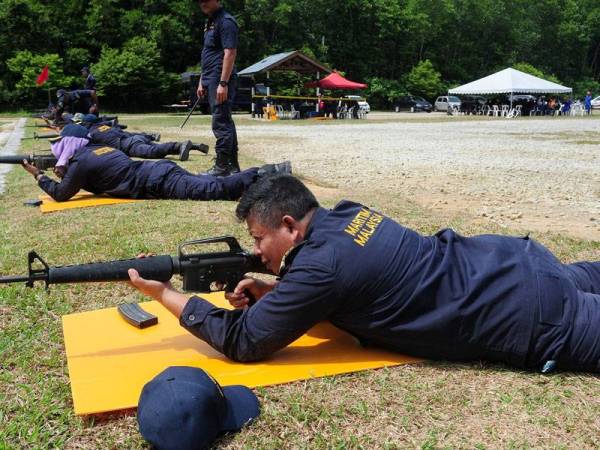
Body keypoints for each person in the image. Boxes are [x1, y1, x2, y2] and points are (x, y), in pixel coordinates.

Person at [128, 175, 600, 373]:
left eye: (258, 238)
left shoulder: (319, 268)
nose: (256, 250)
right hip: (522, 265)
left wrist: (164, 294)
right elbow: (356, 284)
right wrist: (277, 290)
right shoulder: (349, 213)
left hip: (535, 316)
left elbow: (245, 342)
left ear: (289, 227)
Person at [21, 135, 291, 202]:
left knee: (214, 189)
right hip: (157, 171)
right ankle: (262, 175)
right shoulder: (94, 151)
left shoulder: (81, 163)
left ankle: (267, 172)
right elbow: (98, 174)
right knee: (208, 185)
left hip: (157, 181)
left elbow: (61, 194)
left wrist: (39, 175)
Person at [196, 0, 240, 176]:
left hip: (220, 78)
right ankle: (232, 166)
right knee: (225, 120)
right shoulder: (210, 22)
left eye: (206, 0)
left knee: (220, 122)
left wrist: (223, 83)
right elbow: (208, 53)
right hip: (210, 77)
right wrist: (202, 81)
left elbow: (230, 53)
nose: (202, 3)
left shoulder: (226, 21)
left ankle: (222, 166)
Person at [71, 122, 209, 161]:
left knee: (154, 152)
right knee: (159, 147)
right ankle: (194, 146)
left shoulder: (90, 135)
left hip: (128, 145)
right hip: (135, 138)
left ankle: (181, 145)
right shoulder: (101, 126)